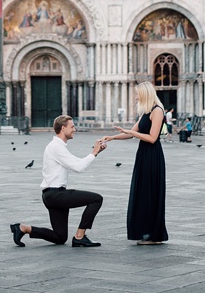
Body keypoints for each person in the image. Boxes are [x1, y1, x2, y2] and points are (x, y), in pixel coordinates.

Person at [9, 114, 107, 248]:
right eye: (72, 127)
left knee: (60, 237)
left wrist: (95, 152)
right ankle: (80, 236)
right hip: (56, 195)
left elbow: (76, 162)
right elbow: (78, 168)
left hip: (51, 195)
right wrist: (94, 153)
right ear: (63, 128)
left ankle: (23, 228)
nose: (75, 129)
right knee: (96, 199)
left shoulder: (57, 146)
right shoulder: (56, 147)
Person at [103, 82, 168, 245]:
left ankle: (154, 235)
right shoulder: (146, 112)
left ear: (146, 94)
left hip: (153, 156)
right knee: (143, 192)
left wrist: (132, 132)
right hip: (143, 155)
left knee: (151, 192)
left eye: (138, 94)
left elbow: (152, 138)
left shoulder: (157, 111)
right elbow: (131, 134)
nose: (136, 96)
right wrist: (112, 138)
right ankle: (146, 231)